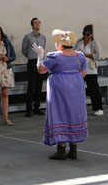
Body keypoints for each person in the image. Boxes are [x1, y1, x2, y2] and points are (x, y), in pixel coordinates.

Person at [36, 29, 87, 160]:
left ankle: (61, 149)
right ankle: (73, 149)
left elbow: (41, 70)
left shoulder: (55, 56)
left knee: (60, 113)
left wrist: (40, 55)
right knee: (74, 113)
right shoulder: (80, 56)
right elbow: (83, 73)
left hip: (60, 87)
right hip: (76, 87)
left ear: (60, 43)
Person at [74, 24, 104, 116]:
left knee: (93, 89)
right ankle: (77, 108)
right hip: (79, 69)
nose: (85, 36)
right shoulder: (79, 41)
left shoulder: (94, 42)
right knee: (78, 89)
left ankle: (98, 108)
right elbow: (73, 50)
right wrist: (77, 52)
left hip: (90, 69)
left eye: (87, 34)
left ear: (91, 34)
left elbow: (98, 56)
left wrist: (85, 54)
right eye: (84, 34)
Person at [22, 17, 48, 117]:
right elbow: (24, 50)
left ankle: (37, 107)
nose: (37, 24)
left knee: (39, 86)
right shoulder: (28, 37)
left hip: (41, 62)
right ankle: (29, 109)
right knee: (31, 86)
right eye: (35, 23)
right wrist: (31, 56)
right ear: (32, 26)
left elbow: (43, 49)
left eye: (39, 22)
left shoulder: (43, 37)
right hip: (32, 63)